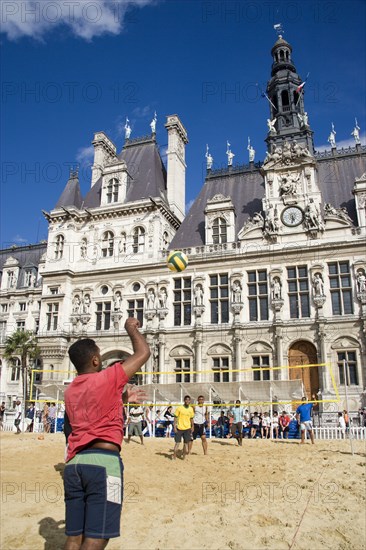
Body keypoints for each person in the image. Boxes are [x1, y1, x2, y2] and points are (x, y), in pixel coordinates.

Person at [63, 318, 150, 550]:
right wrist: (131, 328)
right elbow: (143, 352)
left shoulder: (70, 391)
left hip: (74, 465)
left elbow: (91, 412)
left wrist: (121, 399)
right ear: (94, 360)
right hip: (105, 465)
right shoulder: (107, 377)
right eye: (99, 356)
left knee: (74, 537)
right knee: (97, 536)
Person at [173, 395, 194, 460]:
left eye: (189, 400)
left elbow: (191, 419)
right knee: (177, 443)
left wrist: (192, 426)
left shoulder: (191, 409)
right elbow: (175, 418)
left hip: (187, 428)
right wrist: (175, 427)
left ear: (190, 401)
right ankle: (174, 455)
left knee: (186, 444)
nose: (187, 401)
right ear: (184, 400)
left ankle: (184, 456)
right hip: (179, 428)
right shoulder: (179, 408)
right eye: (186, 400)